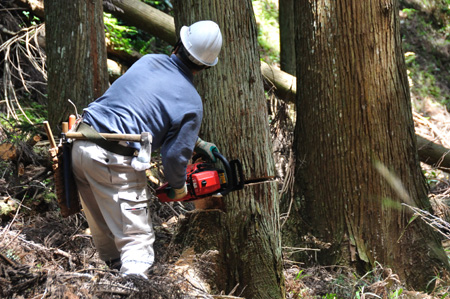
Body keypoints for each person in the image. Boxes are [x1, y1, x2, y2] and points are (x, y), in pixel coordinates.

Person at [70, 20, 223, 278]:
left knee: (106, 231)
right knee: (137, 244)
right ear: (204, 67)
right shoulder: (192, 102)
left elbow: (139, 106)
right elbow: (174, 156)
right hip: (113, 158)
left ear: (179, 45)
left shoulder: (148, 60)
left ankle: (109, 284)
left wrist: (196, 141)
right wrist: (178, 187)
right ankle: (132, 288)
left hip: (81, 142)